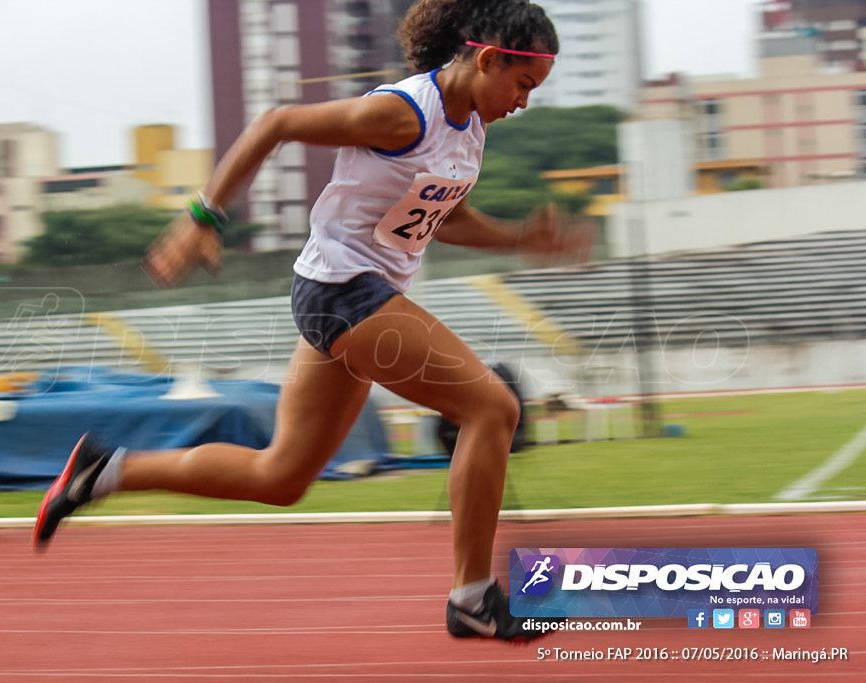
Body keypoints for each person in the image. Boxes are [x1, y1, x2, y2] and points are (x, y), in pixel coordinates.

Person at [35, 0, 588, 640]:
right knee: (492, 408)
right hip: (344, 290)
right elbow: (276, 124)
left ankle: (102, 472)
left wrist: (521, 237)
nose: (524, 102)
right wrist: (204, 218)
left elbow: (444, 215)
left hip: (351, 294)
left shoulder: (468, 133)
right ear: (489, 58)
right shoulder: (403, 112)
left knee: (283, 475)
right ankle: (471, 598)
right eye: (523, 84)